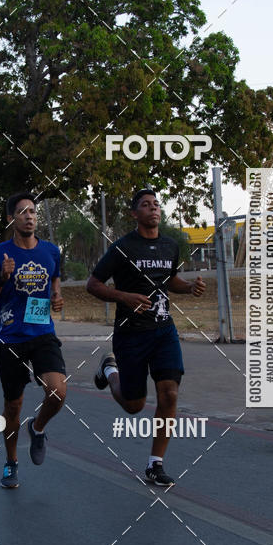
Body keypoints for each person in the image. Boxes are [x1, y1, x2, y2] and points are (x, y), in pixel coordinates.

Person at [87, 188, 205, 487]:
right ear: (134, 214)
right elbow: (93, 284)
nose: (153, 209)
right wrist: (123, 296)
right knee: (133, 405)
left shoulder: (169, 245)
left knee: (170, 394)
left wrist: (189, 287)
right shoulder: (122, 247)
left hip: (164, 331)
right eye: (145, 205)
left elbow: (172, 280)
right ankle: (109, 370)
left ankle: (155, 464)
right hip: (131, 335)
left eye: (156, 204)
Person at [0, 193, 66, 489]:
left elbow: (54, 279)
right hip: (11, 339)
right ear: (11, 219)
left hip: (42, 333)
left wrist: (56, 296)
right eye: (23, 212)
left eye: (33, 211)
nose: (30, 216)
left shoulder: (51, 251)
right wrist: (2, 279)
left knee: (58, 392)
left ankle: (38, 427)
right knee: (13, 407)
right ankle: (11, 462)